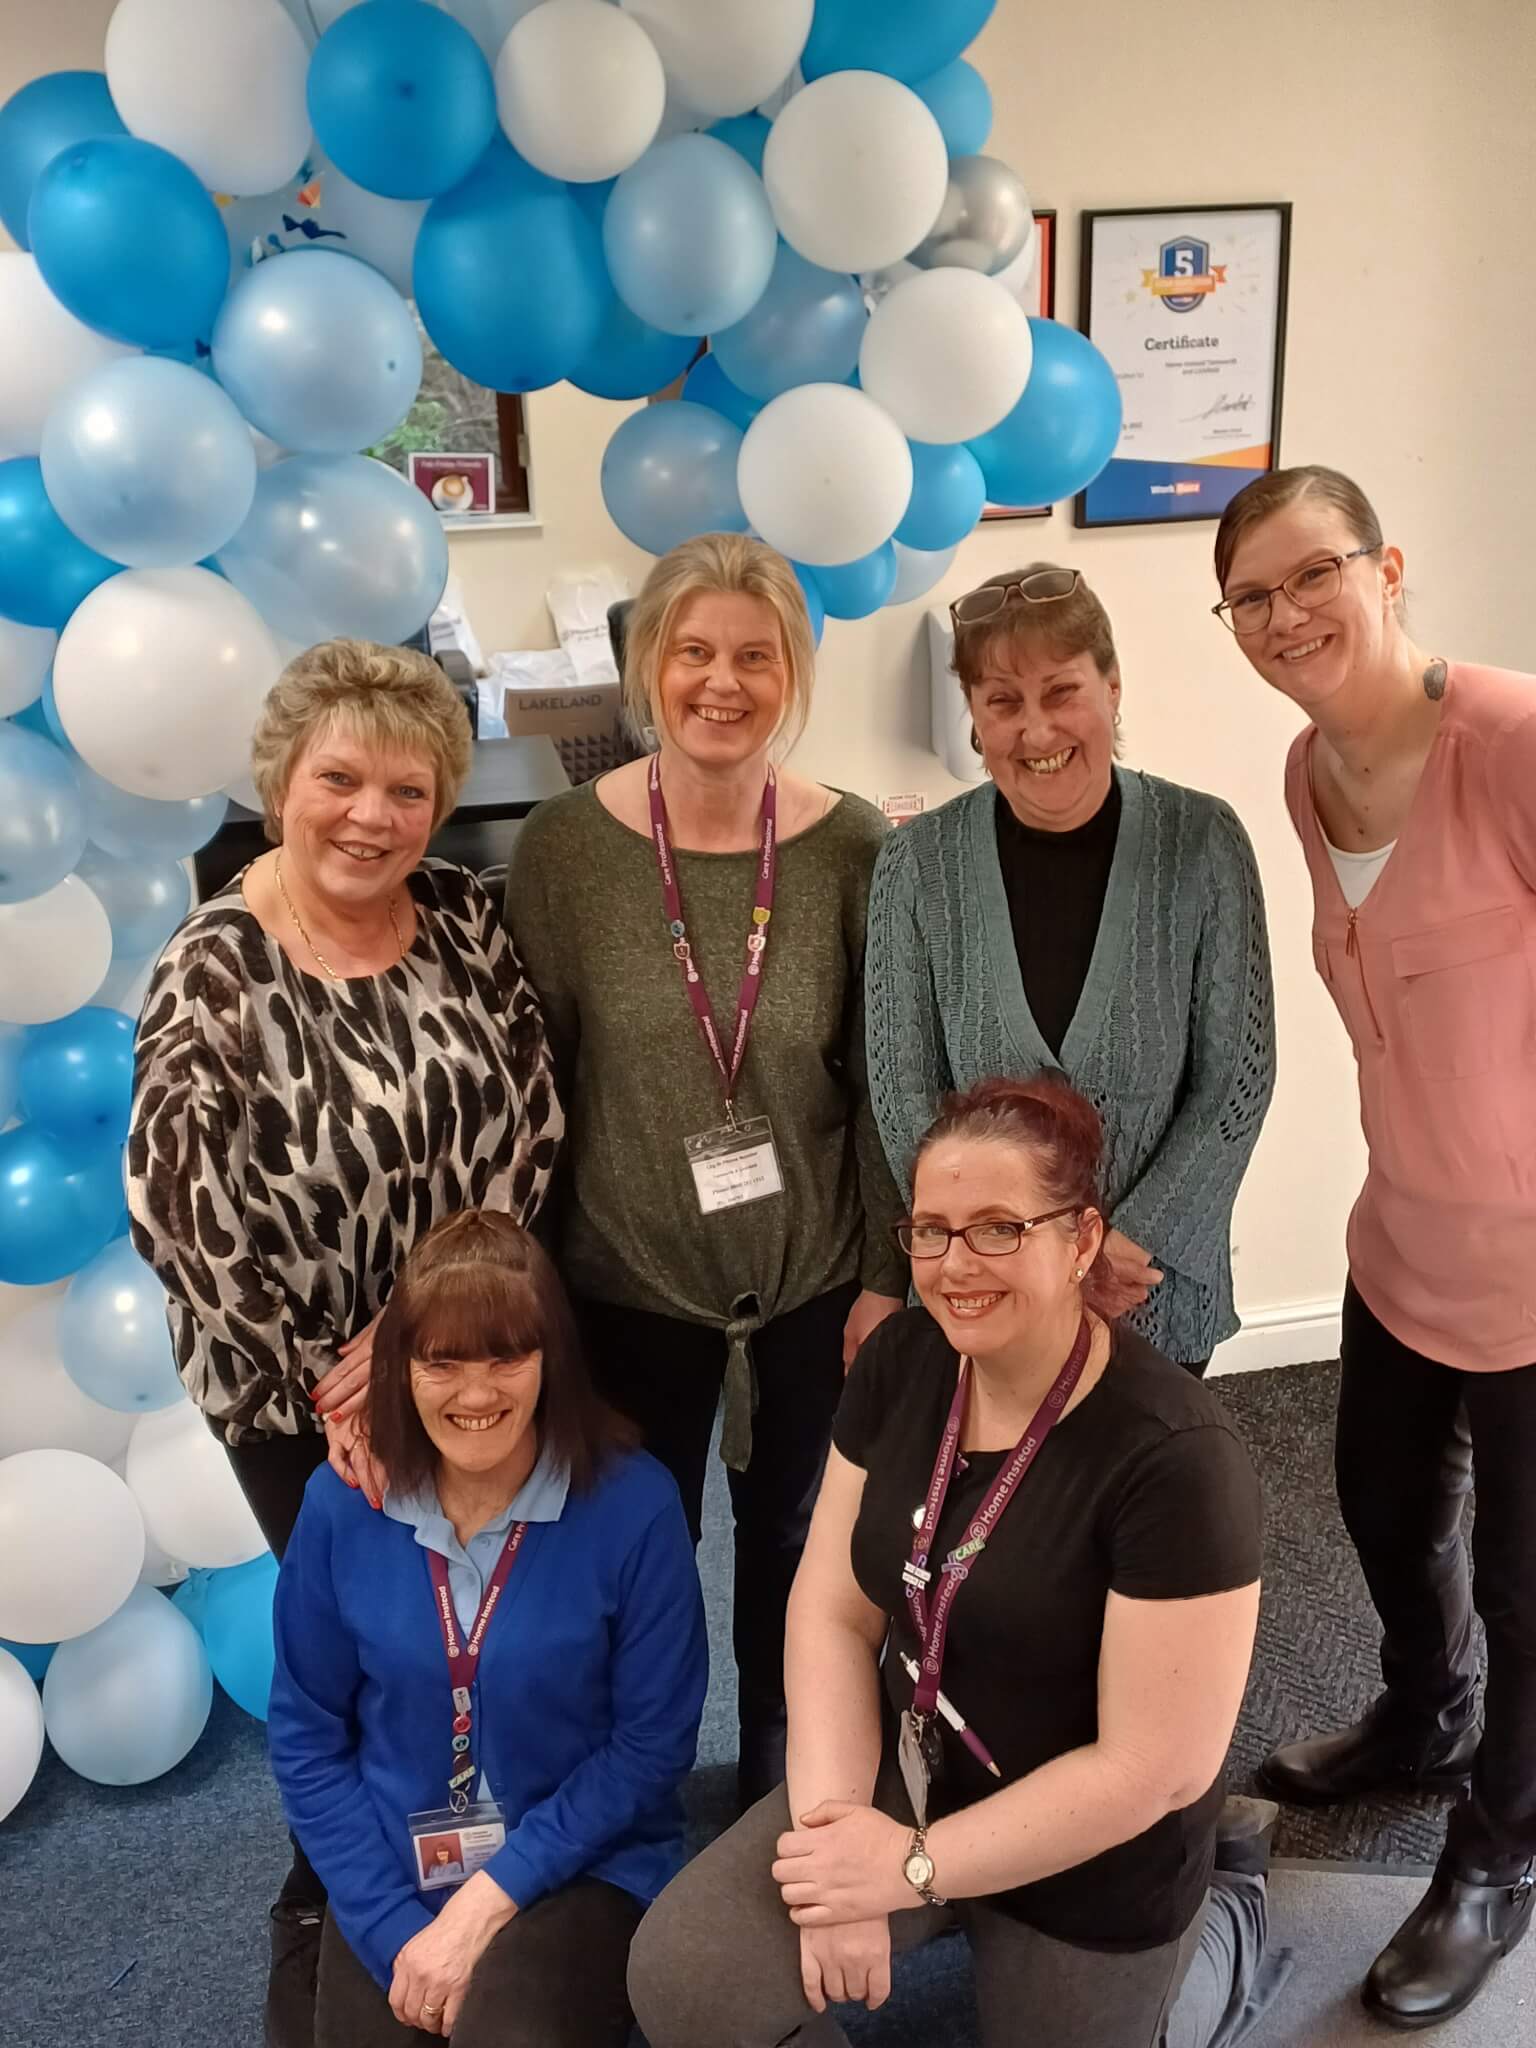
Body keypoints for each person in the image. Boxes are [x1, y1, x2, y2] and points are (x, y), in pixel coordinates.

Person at [630, 1074, 1289, 2048]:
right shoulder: (904, 1357)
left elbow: (1150, 1768)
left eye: (998, 1227)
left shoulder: (1178, 1461)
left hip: (1084, 1847)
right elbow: (832, 1609)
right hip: (917, 1764)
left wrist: (908, 1869)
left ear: (1083, 1238)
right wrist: (838, 1840)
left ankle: (1226, 1915)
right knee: (686, 1972)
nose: (954, 1262)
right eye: (931, 1228)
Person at [127, 638, 561, 2045]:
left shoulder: (464, 917)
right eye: (342, 781)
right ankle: (322, 1920)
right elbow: (179, 1211)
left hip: (466, 1362)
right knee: (371, 1659)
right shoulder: (214, 962)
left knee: (470, 1645)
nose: (374, 816)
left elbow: (529, 1129)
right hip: (291, 1396)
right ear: (285, 782)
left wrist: (417, 1338)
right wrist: (347, 1376)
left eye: (409, 787)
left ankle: (479, 1894)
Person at [504, 532, 908, 1807]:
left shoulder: (852, 853)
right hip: (624, 1286)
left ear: (792, 672)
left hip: (812, 1290)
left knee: (805, 1561)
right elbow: (535, 1091)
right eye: (692, 651)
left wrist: (888, 1279)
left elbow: (889, 1087)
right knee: (633, 1561)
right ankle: (630, 1801)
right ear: (647, 665)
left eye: (754, 655)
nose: (720, 683)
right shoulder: (567, 851)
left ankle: (784, 1798)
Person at [1213, 464, 1536, 2027]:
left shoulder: (1516, 744)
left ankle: (1497, 1858)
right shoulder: (1302, 772)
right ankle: (1427, 1713)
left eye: (1309, 576)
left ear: (1387, 566)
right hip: (1400, 1230)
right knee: (1382, 1500)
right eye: (1251, 598)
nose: (1284, 618)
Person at [267, 1209, 707, 2048]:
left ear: (553, 1361)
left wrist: (481, 1905)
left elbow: (653, 1747)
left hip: (580, 1860)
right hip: (396, 1867)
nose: (477, 1393)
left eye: (507, 1357)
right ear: (401, 1368)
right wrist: (399, 1934)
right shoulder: (341, 1507)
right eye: (443, 1361)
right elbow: (305, 1741)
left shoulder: (635, 1505)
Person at [866, 564, 1276, 1378]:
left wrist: (1120, 1247)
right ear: (976, 721)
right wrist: (1008, 1255)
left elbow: (1236, 1081)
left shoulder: (1202, 843)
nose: (1037, 730)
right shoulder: (915, 863)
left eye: (1061, 691)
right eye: (1003, 701)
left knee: (1145, 1500)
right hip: (981, 1295)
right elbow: (899, 1087)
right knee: (989, 1507)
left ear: (1112, 689)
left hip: (1145, 1290)